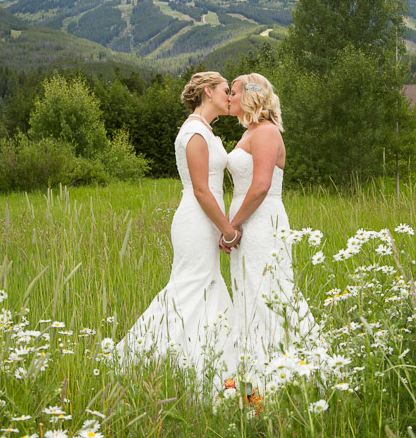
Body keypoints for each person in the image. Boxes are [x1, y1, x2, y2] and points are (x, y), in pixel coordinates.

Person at [116, 71, 240, 391]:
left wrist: (223, 225)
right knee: (188, 289)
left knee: (206, 290)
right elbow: (201, 190)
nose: (230, 96)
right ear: (208, 92)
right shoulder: (195, 133)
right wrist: (226, 229)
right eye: (226, 90)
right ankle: (136, 359)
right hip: (197, 220)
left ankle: (207, 364)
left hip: (206, 220)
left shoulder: (206, 131)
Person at [226, 73, 320, 386]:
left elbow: (262, 185)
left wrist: (233, 224)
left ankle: (284, 368)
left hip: (262, 221)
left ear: (251, 96)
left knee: (268, 289)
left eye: (234, 92)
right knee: (248, 290)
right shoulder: (251, 131)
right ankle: (254, 367)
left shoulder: (265, 132)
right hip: (247, 219)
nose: (229, 98)